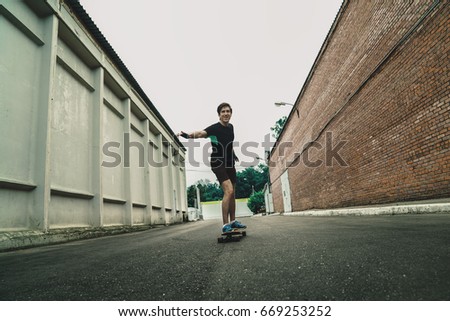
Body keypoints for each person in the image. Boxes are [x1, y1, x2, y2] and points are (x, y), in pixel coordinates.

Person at [178, 102, 246, 233]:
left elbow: (229, 143)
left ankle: (233, 221)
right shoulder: (214, 128)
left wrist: (233, 154)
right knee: (229, 191)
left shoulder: (231, 127)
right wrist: (185, 135)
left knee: (233, 193)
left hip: (229, 162)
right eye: (223, 112)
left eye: (228, 111)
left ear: (231, 113)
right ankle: (225, 224)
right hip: (217, 162)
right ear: (219, 115)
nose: (226, 114)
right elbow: (199, 134)